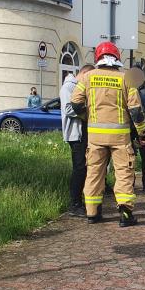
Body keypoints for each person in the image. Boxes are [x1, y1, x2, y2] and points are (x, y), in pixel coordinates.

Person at [70, 42, 145, 227]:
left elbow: (75, 103)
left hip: (95, 138)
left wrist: (87, 117)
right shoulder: (126, 79)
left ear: (98, 58)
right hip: (120, 138)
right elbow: (136, 110)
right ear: (117, 58)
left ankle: (92, 213)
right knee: (124, 173)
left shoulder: (87, 77)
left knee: (94, 173)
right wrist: (143, 133)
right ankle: (125, 215)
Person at [60, 65, 94, 217]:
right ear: (84, 73)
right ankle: (74, 204)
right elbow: (68, 109)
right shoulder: (68, 87)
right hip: (75, 135)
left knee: (84, 168)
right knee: (79, 168)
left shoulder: (78, 86)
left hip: (82, 134)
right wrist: (89, 112)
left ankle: (81, 201)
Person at [131, 73, 145, 193]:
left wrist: (134, 90)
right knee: (130, 156)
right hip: (131, 127)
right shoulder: (128, 87)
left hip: (143, 127)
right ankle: (131, 183)